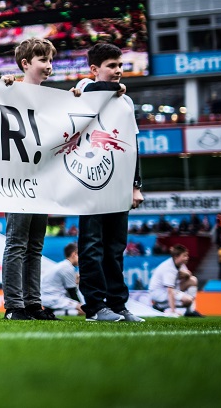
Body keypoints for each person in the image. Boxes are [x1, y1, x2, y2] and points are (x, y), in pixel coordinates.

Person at [71, 42, 145, 323]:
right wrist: (113, 88)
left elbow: (132, 145)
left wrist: (136, 185)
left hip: (119, 183)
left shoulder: (126, 101)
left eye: (120, 65)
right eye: (111, 66)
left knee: (115, 248)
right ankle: (95, 307)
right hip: (91, 181)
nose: (118, 71)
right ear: (94, 70)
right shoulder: (84, 90)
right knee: (91, 246)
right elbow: (91, 89)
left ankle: (118, 305)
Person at [1, 37, 56, 321]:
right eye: (43, 60)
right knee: (17, 243)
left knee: (35, 246)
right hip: (17, 181)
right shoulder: (9, 89)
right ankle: (14, 306)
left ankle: (33, 303)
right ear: (25, 64)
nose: (49, 66)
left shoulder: (52, 99)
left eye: (50, 60)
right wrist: (4, 84)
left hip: (41, 181)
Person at [149, 244, 204, 317]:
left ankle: (190, 311)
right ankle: (160, 306)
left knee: (193, 280)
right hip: (159, 292)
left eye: (187, 255)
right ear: (176, 257)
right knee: (188, 301)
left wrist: (187, 274)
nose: (187, 258)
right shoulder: (169, 268)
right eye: (184, 256)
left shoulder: (180, 264)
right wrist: (173, 311)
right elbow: (170, 291)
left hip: (169, 290)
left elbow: (188, 274)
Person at [41, 242, 84, 316]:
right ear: (74, 254)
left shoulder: (63, 265)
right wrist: (80, 305)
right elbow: (72, 292)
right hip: (53, 299)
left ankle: (50, 311)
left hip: (49, 297)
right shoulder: (67, 267)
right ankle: (51, 312)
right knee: (84, 310)